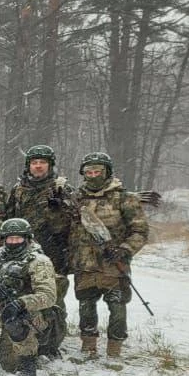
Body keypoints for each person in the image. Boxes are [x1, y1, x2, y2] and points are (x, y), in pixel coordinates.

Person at [68, 152, 149, 360]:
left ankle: (114, 349)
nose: (93, 176)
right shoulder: (76, 199)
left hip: (114, 264)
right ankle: (88, 347)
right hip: (85, 264)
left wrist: (125, 250)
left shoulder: (124, 198)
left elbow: (139, 231)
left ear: (107, 172)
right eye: (89, 172)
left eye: (98, 172)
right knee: (86, 307)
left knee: (117, 307)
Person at [5, 145, 73, 358]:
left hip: (53, 253)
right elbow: (9, 219)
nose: (38, 166)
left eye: (42, 162)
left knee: (53, 300)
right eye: (34, 162)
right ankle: (27, 336)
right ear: (29, 166)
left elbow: (71, 225)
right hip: (22, 253)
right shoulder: (19, 189)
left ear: (50, 165)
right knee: (25, 296)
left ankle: (51, 345)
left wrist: (57, 210)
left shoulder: (61, 188)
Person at [0, 218, 58, 376]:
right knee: (8, 364)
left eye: (18, 238)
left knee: (16, 323)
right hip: (5, 309)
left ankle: (28, 366)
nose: (13, 242)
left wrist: (21, 303)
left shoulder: (39, 261)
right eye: (10, 239)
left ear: (27, 238)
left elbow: (48, 296)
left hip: (31, 313)